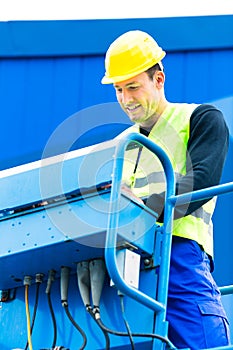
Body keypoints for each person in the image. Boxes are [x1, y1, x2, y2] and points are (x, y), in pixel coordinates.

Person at [101, 30, 231, 349]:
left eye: (133, 87)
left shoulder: (199, 118)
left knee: (205, 342)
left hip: (181, 257)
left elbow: (202, 180)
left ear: (158, 79)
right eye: (118, 89)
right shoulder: (121, 147)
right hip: (125, 268)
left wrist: (140, 208)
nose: (126, 99)